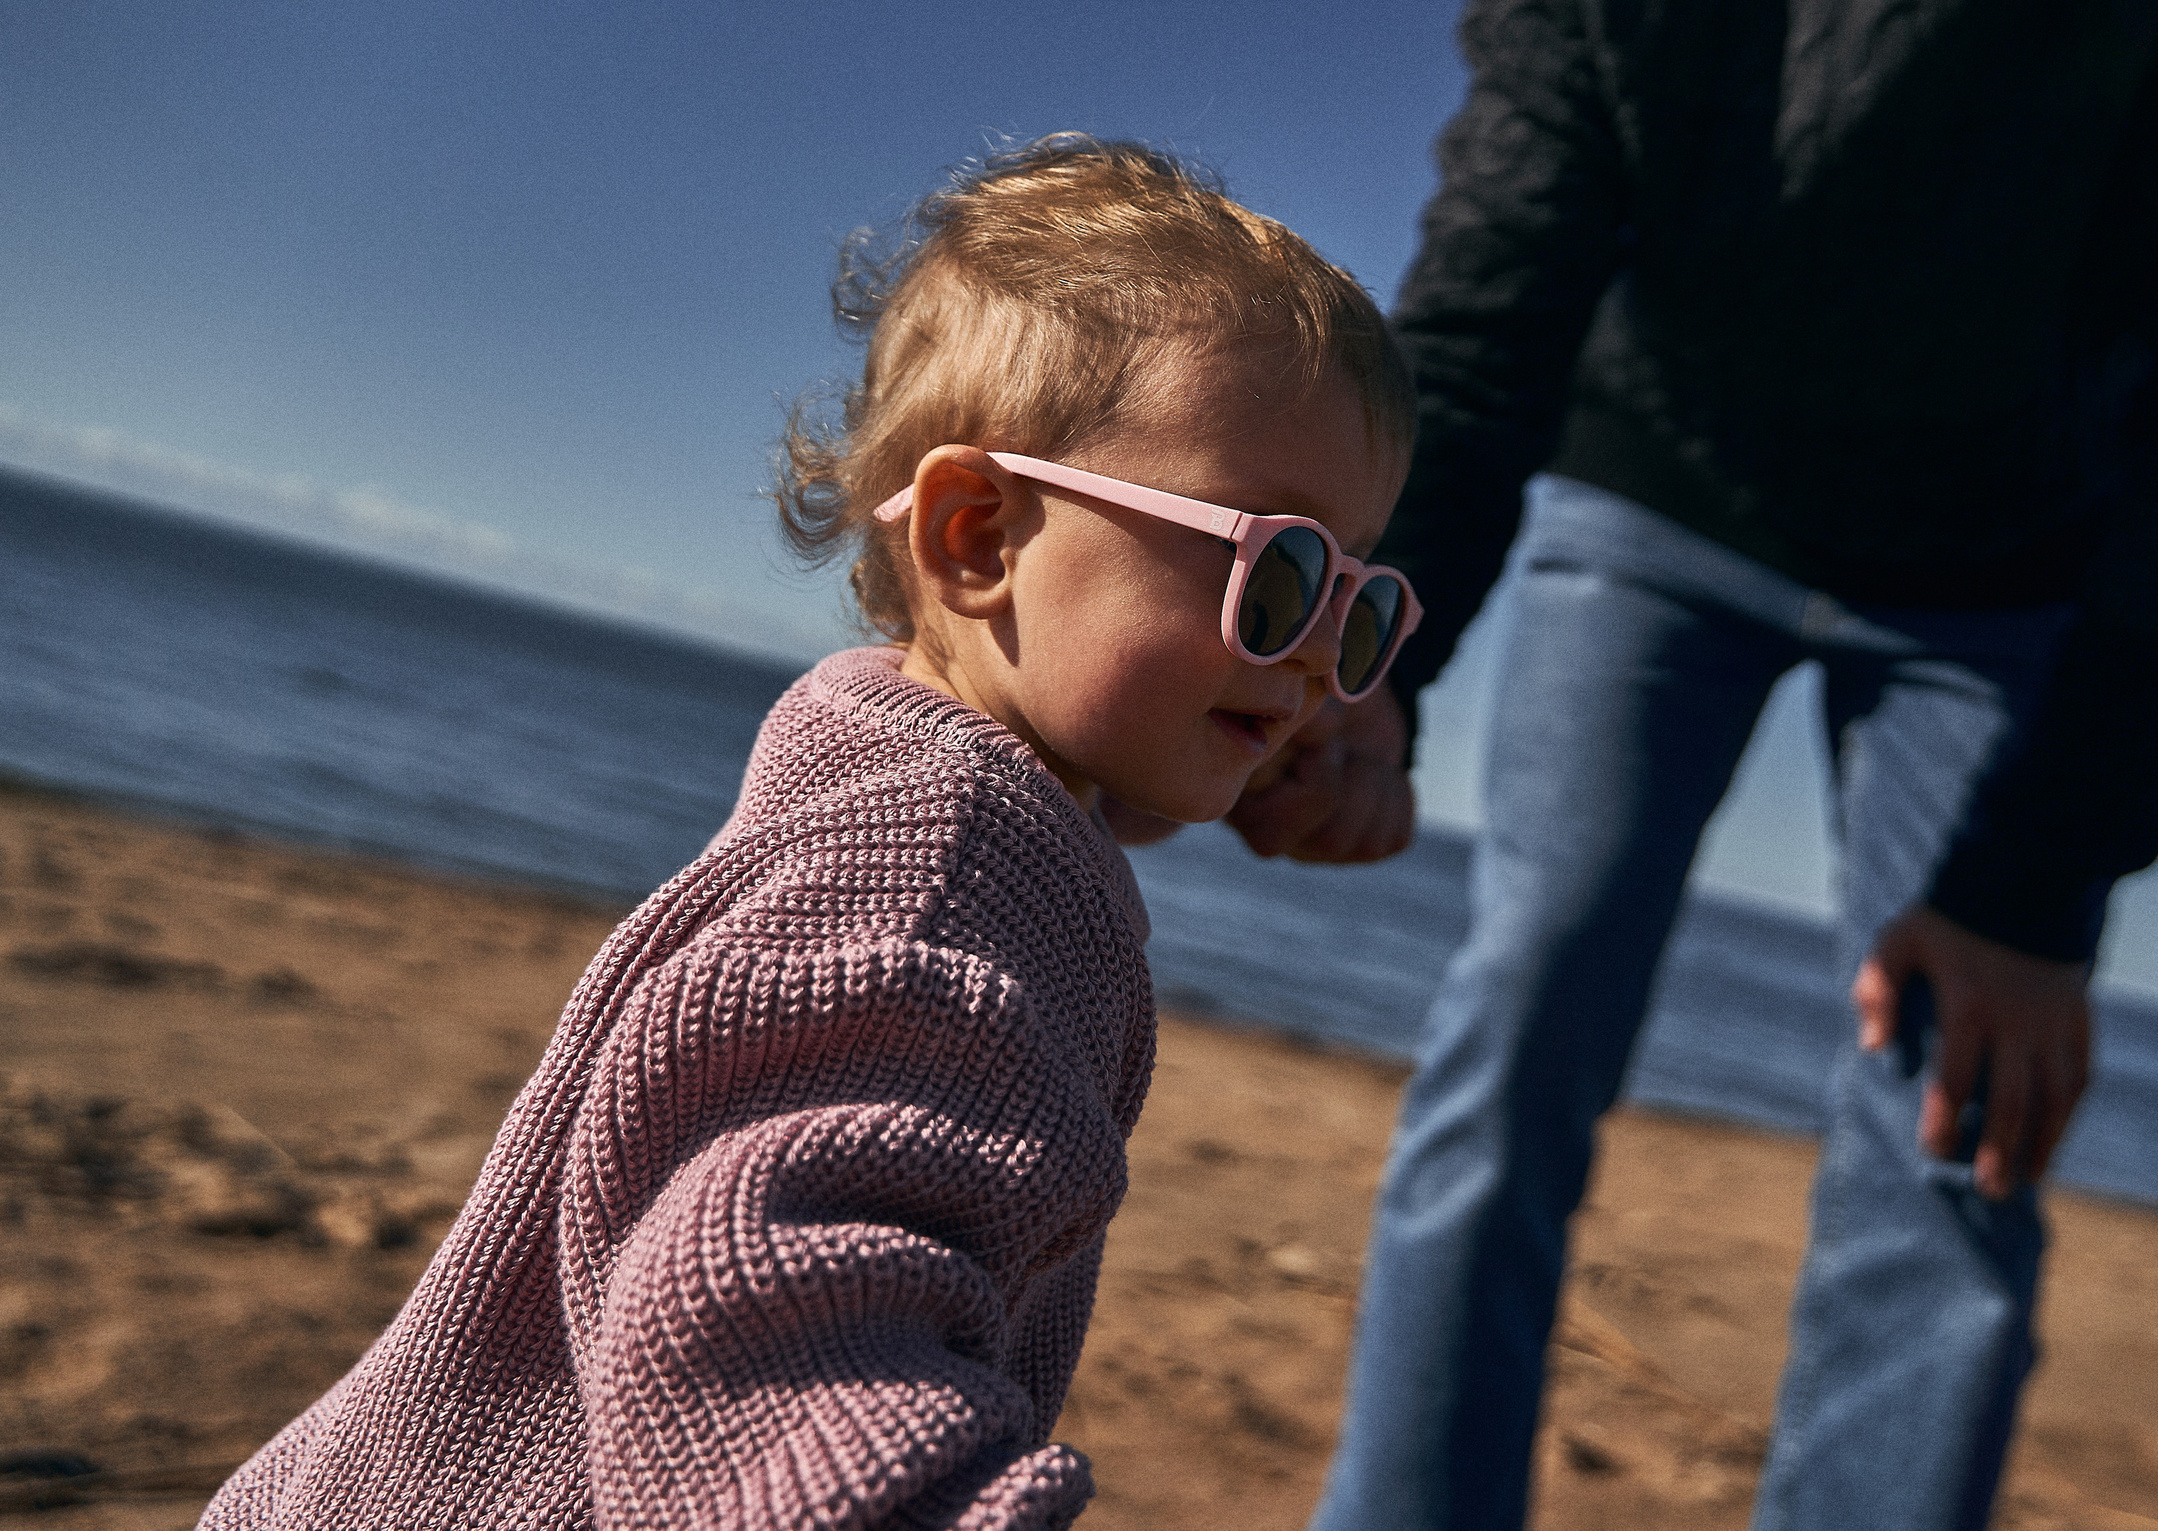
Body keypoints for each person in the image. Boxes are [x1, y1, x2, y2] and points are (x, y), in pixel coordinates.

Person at [1226, 0, 2158, 1527]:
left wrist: (2044, 869)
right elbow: (1501, 275)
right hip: (1658, 474)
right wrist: (1378, 658)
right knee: (1523, 1012)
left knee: (1958, 1131)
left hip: (2013, 572)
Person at [200, 137, 1421, 1531]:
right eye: (1282, 575)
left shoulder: (928, 783)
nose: (1323, 657)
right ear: (976, 535)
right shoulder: (931, 880)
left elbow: (1082, 823)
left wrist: (1224, 721)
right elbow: (759, 1318)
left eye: (1364, 608)